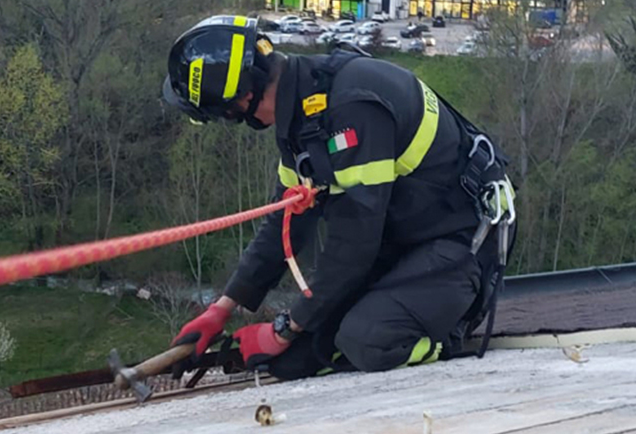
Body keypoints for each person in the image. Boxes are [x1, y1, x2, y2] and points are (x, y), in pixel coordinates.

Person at [162, 15, 516, 380]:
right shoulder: (302, 113)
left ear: (244, 99)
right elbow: (284, 225)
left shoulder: (352, 109)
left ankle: (448, 339)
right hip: (408, 243)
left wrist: (284, 328)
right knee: (293, 360)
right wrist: (223, 306)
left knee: (367, 340)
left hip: (462, 247)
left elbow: (355, 243)